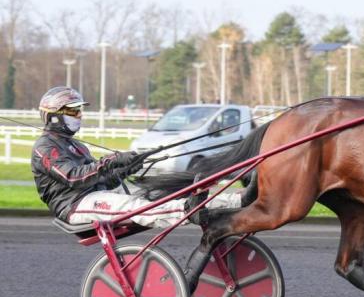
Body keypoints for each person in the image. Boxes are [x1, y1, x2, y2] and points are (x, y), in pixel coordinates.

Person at [31, 86, 240, 228]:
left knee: (158, 193)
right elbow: (73, 178)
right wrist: (111, 161)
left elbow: (99, 179)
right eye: (73, 112)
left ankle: (236, 200)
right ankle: (187, 209)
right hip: (74, 205)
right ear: (55, 116)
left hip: (94, 195)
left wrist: (125, 169)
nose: (79, 116)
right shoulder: (45, 147)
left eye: (79, 112)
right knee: (136, 208)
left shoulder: (75, 145)